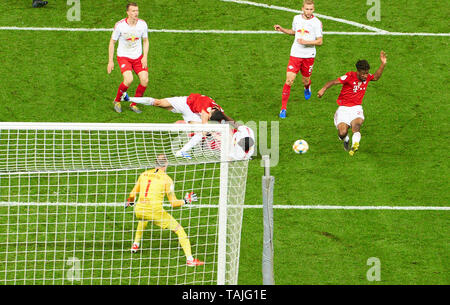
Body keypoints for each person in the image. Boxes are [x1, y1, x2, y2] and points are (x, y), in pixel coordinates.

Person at [125, 154, 205, 267]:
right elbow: (174, 204)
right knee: (179, 229)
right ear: (166, 164)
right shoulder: (167, 180)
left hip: (138, 210)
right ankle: (190, 260)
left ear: (155, 163)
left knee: (143, 218)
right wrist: (186, 201)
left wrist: (131, 201)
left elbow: (132, 194)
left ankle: (135, 244)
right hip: (155, 212)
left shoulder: (143, 174)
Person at [123, 92, 239, 158]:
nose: (208, 118)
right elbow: (205, 123)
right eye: (208, 117)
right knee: (158, 103)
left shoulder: (217, 112)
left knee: (200, 131)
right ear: (211, 112)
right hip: (185, 102)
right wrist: (207, 131)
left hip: (193, 113)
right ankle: (129, 98)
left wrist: (239, 127)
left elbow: (227, 118)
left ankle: (181, 151)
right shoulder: (205, 112)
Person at [317, 51, 387, 156]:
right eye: (363, 73)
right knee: (342, 132)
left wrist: (383, 64)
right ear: (358, 72)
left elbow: (376, 77)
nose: (365, 76)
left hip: (356, 108)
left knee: (356, 126)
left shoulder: (367, 77)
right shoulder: (349, 76)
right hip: (343, 108)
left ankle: (355, 145)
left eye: (367, 73)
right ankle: (346, 139)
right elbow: (333, 82)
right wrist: (323, 89)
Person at [274, 0, 323, 118]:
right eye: (307, 9)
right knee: (289, 80)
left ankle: (307, 87)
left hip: (309, 55)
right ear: (302, 8)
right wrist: (282, 29)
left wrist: (306, 42)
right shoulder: (296, 18)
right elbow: (293, 32)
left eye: (311, 9)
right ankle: (283, 109)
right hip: (295, 54)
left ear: (313, 10)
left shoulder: (316, 23)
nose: (309, 11)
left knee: (305, 80)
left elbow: (320, 41)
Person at [108, 2, 149, 114]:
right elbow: (112, 42)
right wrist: (110, 61)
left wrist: (145, 57)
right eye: (133, 11)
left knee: (145, 80)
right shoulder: (120, 25)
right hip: (124, 57)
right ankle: (116, 101)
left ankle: (133, 104)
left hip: (138, 57)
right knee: (129, 79)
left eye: (137, 11)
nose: (136, 13)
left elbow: (145, 41)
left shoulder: (142, 24)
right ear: (128, 13)